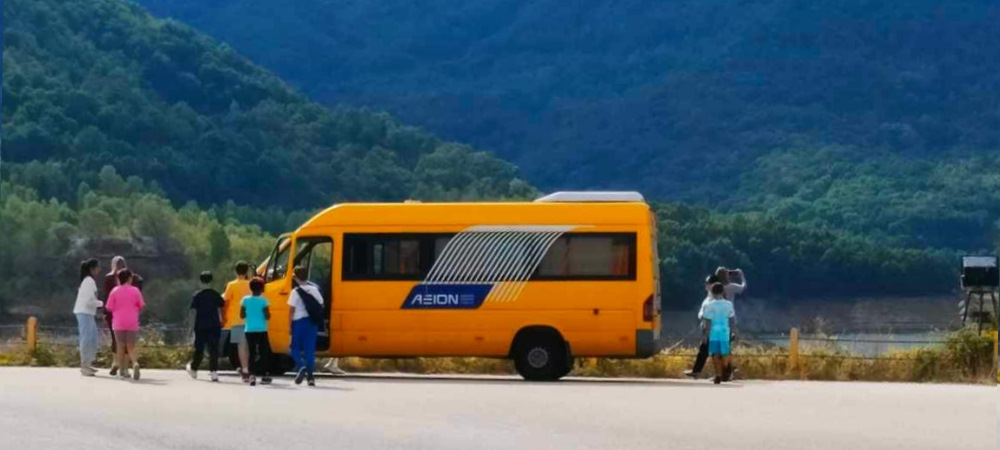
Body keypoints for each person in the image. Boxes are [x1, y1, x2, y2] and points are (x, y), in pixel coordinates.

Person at [103, 256, 143, 376]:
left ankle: (116, 364)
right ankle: (128, 366)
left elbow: (106, 300)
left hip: (114, 316)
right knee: (129, 344)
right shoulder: (134, 280)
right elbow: (140, 303)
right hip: (131, 317)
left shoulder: (109, 279)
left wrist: (105, 315)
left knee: (117, 341)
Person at [186, 271, 225, 382]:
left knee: (199, 349)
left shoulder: (197, 295)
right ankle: (214, 372)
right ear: (211, 281)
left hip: (200, 326)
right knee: (213, 350)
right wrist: (222, 320)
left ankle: (194, 369)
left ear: (200, 281)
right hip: (214, 325)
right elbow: (221, 307)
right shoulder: (215, 294)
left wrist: (191, 328)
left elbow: (193, 312)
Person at [288, 267, 324, 386]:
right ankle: (310, 377)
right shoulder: (314, 289)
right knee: (310, 350)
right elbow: (321, 304)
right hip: (311, 322)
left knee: (294, 349)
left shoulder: (295, 291)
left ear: (296, 277)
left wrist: (289, 325)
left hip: (298, 322)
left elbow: (291, 310)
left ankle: (301, 366)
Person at [685, 274, 720, 379]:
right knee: (705, 350)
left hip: (712, 327)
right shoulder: (709, 295)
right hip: (707, 326)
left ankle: (722, 373)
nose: (706, 285)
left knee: (712, 351)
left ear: (713, 284)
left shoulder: (716, 297)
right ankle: (697, 371)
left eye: (708, 283)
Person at [222, 262, 253, 382]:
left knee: (239, 346)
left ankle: (244, 370)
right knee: (248, 346)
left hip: (236, 320)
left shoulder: (231, 285)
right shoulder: (251, 284)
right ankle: (247, 369)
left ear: (236, 271)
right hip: (250, 320)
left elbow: (226, 302)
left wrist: (223, 316)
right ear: (247, 271)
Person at [73, 259, 104, 377]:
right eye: (97, 267)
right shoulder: (89, 281)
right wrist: (101, 303)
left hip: (87, 313)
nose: (99, 269)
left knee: (92, 338)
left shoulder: (88, 281)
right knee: (86, 339)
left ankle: (87, 364)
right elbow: (89, 301)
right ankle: (84, 366)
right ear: (92, 269)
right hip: (84, 312)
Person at [702, 283, 737, 385]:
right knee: (725, 352)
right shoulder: (729, 304)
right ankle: (726, 368)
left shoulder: (708, 305)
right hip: (725, 331)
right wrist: (734, 331)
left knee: (715, 354)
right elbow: (731, 319)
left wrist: (705, 334)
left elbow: (707, 321)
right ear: (723, 291)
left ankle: (718, 374)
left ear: (712, 293)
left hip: (713, 332)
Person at [241, 277, 272, 387]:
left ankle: (252, 375)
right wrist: (264, 312)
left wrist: (248, 312)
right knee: (264, 352)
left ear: (251, 288)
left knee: (252, 352)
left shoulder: (245, 300)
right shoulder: (264, 301)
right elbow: (268, 317)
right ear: (262, 288)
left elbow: (242, 315)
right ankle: (265, 375)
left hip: (249, 329)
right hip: (262, 329)